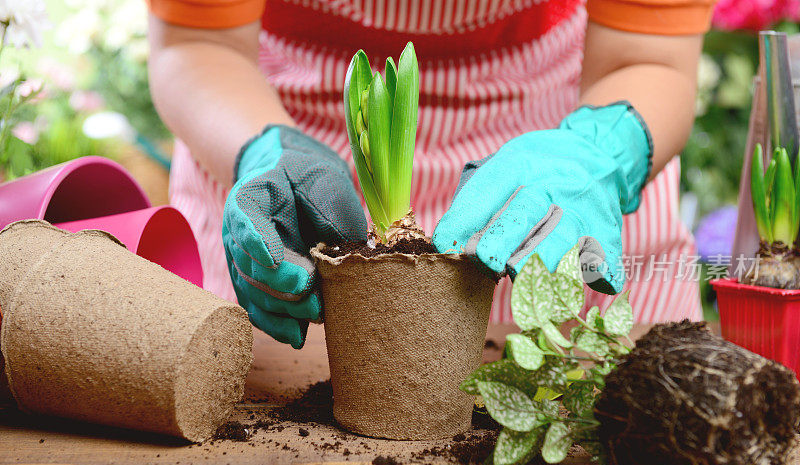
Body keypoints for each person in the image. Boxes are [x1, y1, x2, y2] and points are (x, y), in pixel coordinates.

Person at [147, 0, 713, 348]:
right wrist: (261, 148)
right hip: (270, 105)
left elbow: (649, 57)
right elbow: (200, 42)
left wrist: (594, 152)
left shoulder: (573, 156)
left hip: (551, 139)